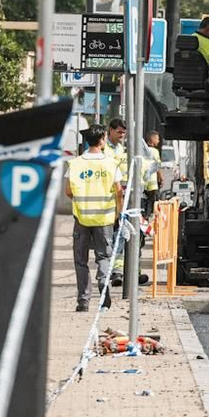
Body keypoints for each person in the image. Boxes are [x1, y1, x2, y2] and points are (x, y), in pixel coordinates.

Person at [63, 127, 126, 313]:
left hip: (81, 218)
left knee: (81, 260)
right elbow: (119, 192)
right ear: (103, 139)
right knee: (104, 257)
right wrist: (119, 214)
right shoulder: (110, 163)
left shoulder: (75, 164)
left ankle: (83, 300)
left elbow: (68, 191)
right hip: (104, 219)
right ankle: (103, 289)